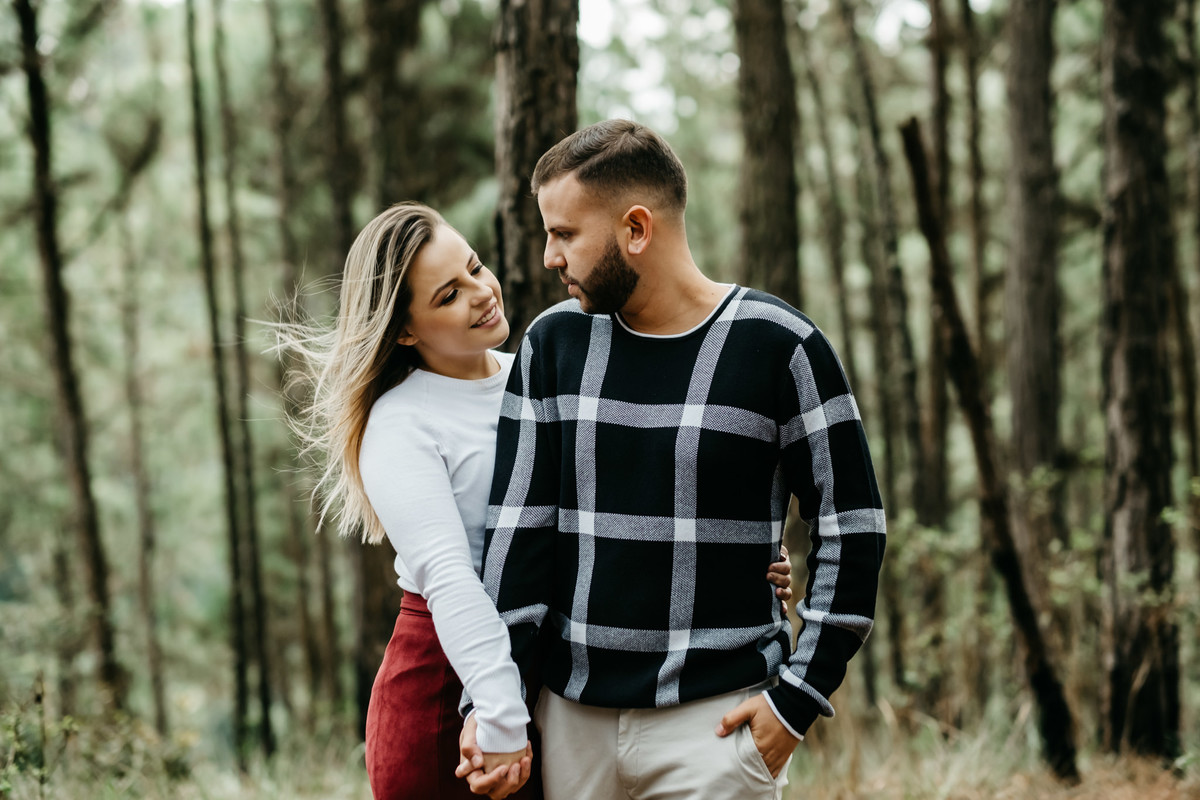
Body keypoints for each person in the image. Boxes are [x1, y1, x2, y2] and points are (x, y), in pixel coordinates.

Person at [279, 201, 795, 800]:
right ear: (405, 330)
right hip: (451, 681)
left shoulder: (538, 372)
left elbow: (624, 496)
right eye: (449, 295)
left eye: (475, 267)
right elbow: (449, 578)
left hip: (545, 676)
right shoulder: (399, 423)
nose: (481, 293)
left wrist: (746, 557)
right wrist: (500, 714)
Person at [458, 119, 886, 800]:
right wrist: (492, 702)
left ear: (636, 229)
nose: (548, 256)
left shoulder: (781, 346)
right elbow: (518, 544)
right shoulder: (553, 345)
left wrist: (797, 699)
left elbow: (852, 528)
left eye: (564, 234)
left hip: (716, 732)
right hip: (570, 728)